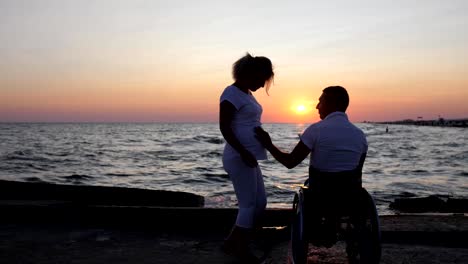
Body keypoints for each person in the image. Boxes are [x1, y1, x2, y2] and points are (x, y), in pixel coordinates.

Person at [255, 85, 367, 192]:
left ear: (332, 104)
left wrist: (268, 144)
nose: (317, 106)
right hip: (349, 197)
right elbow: (357, 174)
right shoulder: (360, 135)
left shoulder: (316, 129)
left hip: (320, 196)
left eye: (320, 102)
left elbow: (290, 162)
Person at [219, 53, 274, 262]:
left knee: (260, 203)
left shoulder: (247, 94)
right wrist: (243, 152)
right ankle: (239, 248)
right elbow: (224, 126)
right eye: (261, 78)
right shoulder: (231, 93)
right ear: (249, 74)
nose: (262, 83)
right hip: (239, 155)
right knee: (249, 204)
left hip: (248, 156)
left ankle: (231, 242)